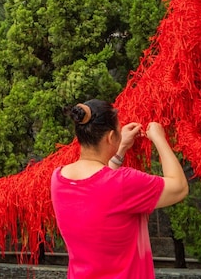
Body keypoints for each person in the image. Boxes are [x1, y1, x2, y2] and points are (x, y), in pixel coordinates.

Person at [51, 99, 189, 278]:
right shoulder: (123, 182)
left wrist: (120, 149)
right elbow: (179, 187)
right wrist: (159, 138)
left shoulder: (58, 178)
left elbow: (101, 194)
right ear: (110, 137)